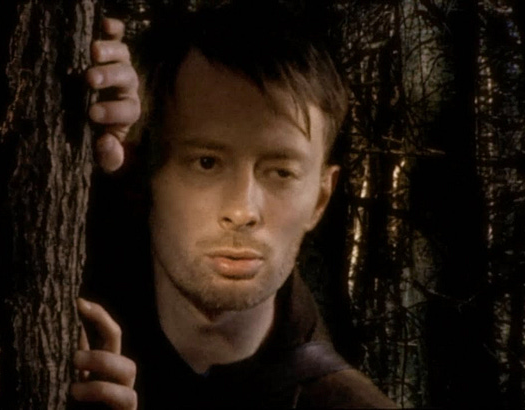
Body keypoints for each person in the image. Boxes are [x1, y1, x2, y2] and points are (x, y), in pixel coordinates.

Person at [70, 3, 397, 409]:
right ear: (148, 174)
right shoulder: (60, 291)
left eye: (281, 173)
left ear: (320, 199)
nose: (242, 211)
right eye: (207, 163)